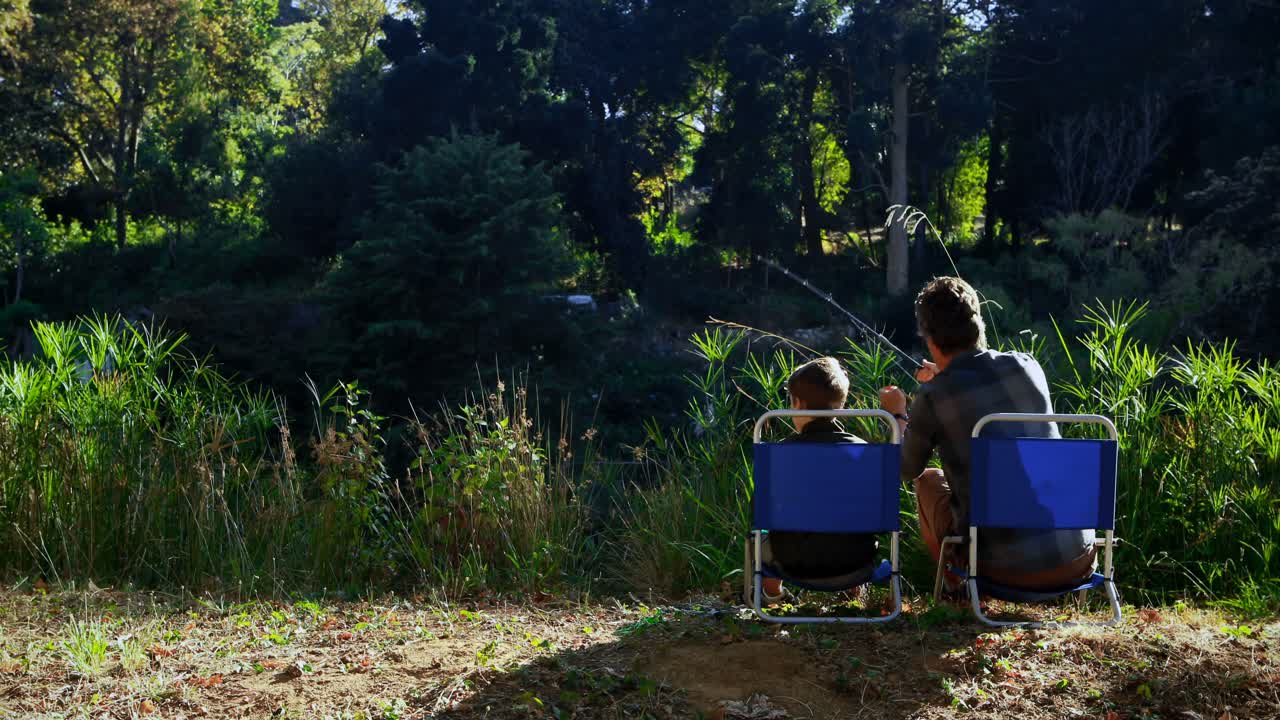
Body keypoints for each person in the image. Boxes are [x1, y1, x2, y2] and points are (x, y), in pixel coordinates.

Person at [878, 277, 1096, 591]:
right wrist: (946, 380)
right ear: (978, 325)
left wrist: (897, 413)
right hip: (1076, 559)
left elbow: (903, 468)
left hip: (1002, 570)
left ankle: (957, 589)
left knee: (926, 481)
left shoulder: (934, 396)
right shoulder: (1028, 366)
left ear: (929, 339)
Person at [753, 357, 879, 604]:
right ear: (841, 405)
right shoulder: (864, 451)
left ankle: (772, 595)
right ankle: (853, 593)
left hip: (795, 562)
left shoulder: (781, 454)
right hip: (857, 560)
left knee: (760, 538)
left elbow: (759, 513)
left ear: (797, 404)